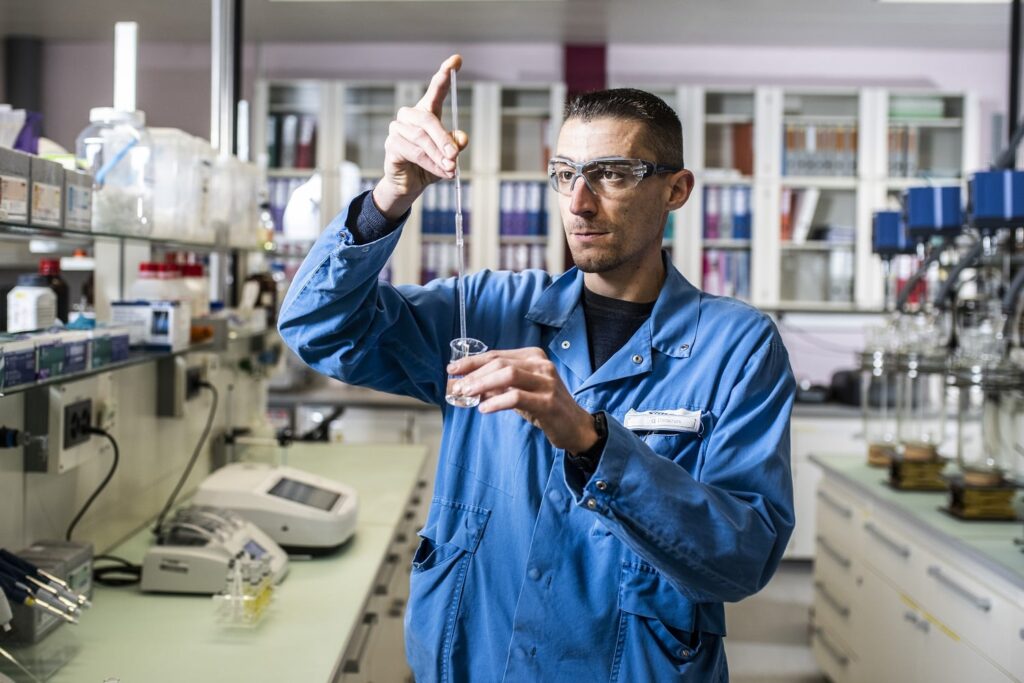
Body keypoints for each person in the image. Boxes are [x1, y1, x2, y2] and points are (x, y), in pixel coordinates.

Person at [278, 54, 795, 682]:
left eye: (612, 174)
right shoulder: (490, 310)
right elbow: (317, 327)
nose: (579, 202)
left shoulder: (737, 347)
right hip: (475, 664)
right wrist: (389, 197)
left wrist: (592, 442)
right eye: (563, 174)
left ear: (676, 190)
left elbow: (743, 558)